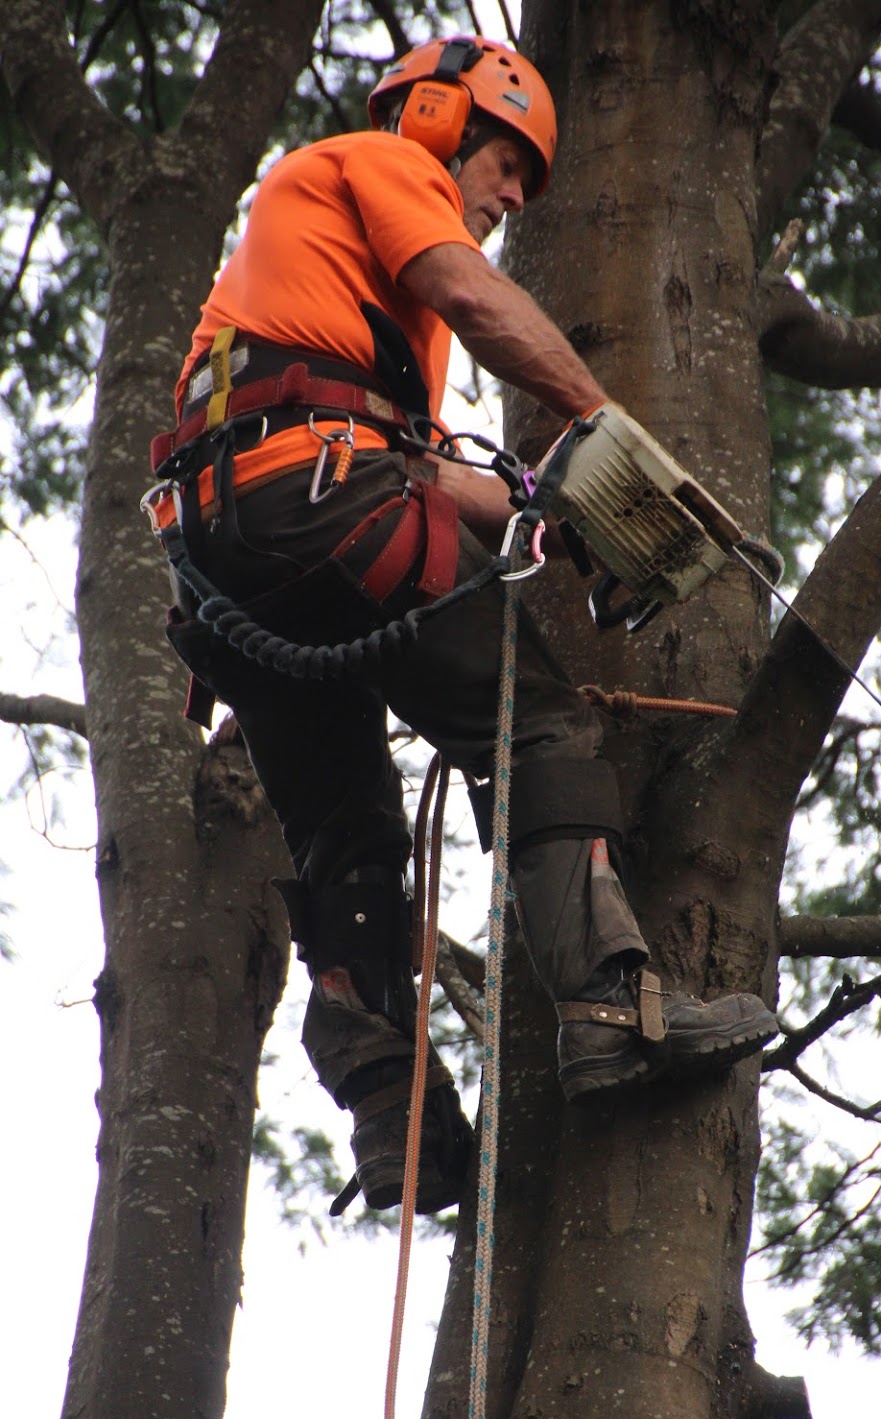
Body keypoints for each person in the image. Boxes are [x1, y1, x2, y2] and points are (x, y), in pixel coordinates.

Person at [152, 35, 778, 1217]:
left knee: (346, 834)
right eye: (502, 163)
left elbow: (429, 475)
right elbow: (470, 297)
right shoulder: (379, 168)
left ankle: (397, 1118)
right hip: (319, 505)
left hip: (236, 561)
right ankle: (607, 1011)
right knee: (538, 727)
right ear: (437, 119)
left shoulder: (332, 306)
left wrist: (571, 506)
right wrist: (603, 426)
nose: (504, 196)